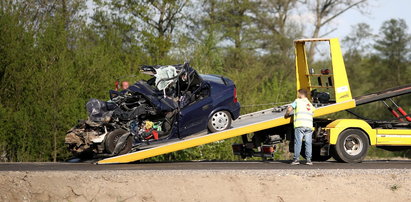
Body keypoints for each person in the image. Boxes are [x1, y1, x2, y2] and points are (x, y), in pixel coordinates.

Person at [284, 88, 316, 165]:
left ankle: (296, 160)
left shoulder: (297, 101)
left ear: (301, 94)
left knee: (298, 142)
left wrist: (286, 115)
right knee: (308, 143)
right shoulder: (309, 104)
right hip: (309, 126)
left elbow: (289, 109)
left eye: (298, 93)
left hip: (300, 125)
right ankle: (309, 160)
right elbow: (313, 112)